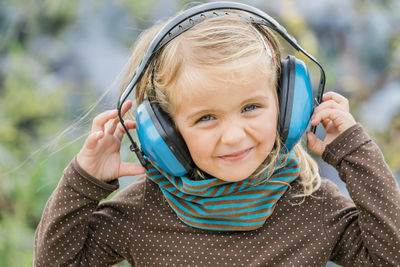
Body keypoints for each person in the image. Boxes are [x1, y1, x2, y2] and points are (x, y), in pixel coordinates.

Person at [34, 2, 400, 266]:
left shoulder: (313, 204)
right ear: (165, 132)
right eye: (207, 117)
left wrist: (354, 151)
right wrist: (84, 181)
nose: (234, 136)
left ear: (289, 105)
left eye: (251, 108)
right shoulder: (144, 212)